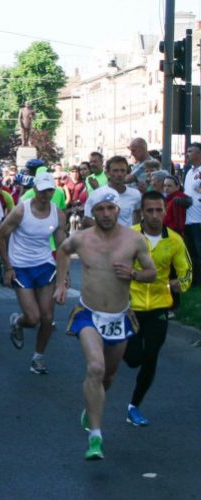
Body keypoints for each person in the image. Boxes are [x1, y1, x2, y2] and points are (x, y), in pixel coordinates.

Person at [55, 190, 156, 460]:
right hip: (88, 313)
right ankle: (95, 438)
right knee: (95, 368)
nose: (106, 214)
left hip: (119, 317)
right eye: (100, 209)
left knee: (108, 376)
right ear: (92, 211)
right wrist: (61, 283)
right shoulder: (81, 239)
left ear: (118, 209)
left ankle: (91, 408)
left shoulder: (134, 239)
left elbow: (152, 272)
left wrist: (134, 273)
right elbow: (62, 252)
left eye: (111, 208)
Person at [123, 191, 192, 426]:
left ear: (165, 211)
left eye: (159, 210)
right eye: (149, 210)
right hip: (130, 307)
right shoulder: (129, 236)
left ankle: (134, 407)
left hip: (159, 307)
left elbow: (187, 272)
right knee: (133, 360)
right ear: (142, 212)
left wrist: (179, 285)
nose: (155, 215)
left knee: (151, 357)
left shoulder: (174, 240)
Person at [0, 172, 66, 374]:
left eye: (49, 190)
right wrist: (8, 267)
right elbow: (1, 236)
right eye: (42, 190)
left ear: (53, 191)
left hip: (44, 264)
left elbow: (62, 246)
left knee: (47, 317)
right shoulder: (21, 211)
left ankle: (38, 357)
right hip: (21, 266)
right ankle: (18, 321)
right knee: (33, 317)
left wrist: (64, 276)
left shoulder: (58, 214)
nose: (45, 194)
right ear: (35, 190)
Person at [83, 156, 142, 228]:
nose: (119, 174)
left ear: (127, 173)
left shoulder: (135, 194)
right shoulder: (96, 195)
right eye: (115, 171)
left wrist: (132, 232)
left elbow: (137, 214)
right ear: (107, 173)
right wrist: (105, 231)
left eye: (122, 170)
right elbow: (87, 219)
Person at [182, 142, 201, 285]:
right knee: (191, 251)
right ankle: (195, 278)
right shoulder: (189, 172)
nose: (187, 154)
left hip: (199, 218)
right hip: (188, 217)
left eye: (190, 151)